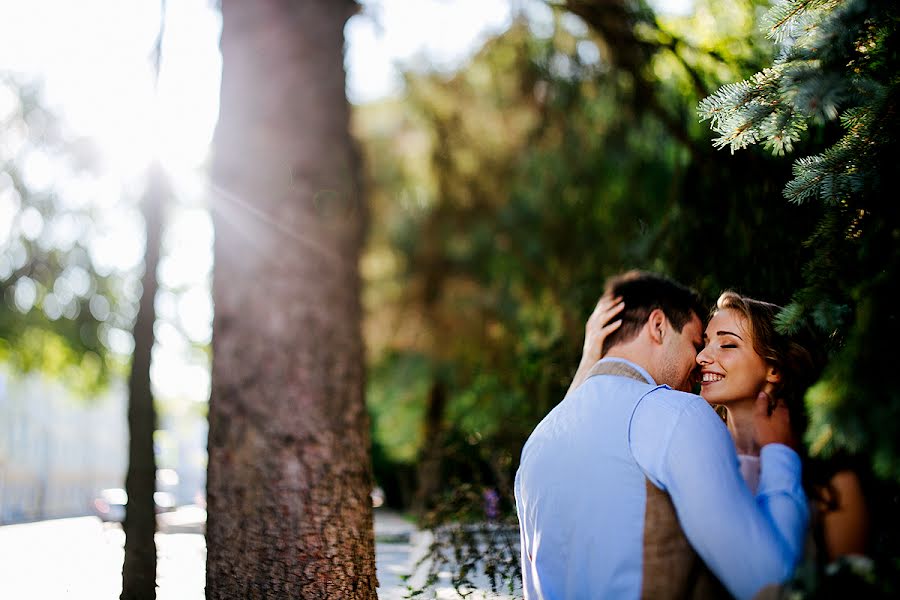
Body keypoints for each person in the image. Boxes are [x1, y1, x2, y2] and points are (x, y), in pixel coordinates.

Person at [515, 271, 808, 600]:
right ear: (658, 326)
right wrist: (781, 457)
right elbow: (768, 581)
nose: (699, 362)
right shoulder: (676, 414)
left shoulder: (538, 442)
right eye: (697, 343)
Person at [581, 290, 870, 564]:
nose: (702, 357)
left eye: (728, 344)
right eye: (704, 343)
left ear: (774, 369)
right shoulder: (690, 453)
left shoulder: (830, 483)